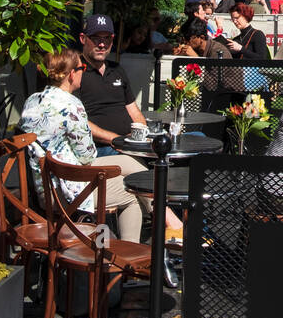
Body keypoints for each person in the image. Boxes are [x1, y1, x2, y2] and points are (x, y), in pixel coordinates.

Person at [18, 50, 185, 243]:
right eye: (82, 68)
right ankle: (128, 257)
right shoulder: (71, 105)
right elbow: (87, 156)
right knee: (132, 193)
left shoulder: (32, 100)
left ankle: (171, 222)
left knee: (129, 162)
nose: (84, 71)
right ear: (72, 74)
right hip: (64, 189)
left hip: (47, 182)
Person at [76, 14, 148, 154]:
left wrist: (141, 136)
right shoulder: (75, 73)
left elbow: (133, 110)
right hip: (99, 147)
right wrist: (116, 140)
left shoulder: (117, 69)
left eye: (106, 38)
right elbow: (77, 121)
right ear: (83, 39)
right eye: (96, 38)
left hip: (128, 144)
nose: (102, 44)